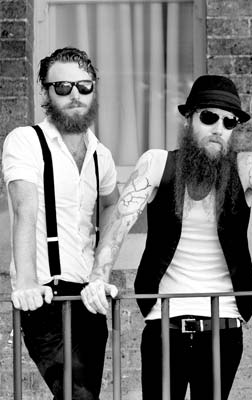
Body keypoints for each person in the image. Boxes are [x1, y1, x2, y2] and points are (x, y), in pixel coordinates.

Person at [79, 75, 252, 399]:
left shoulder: (248, 167)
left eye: (229, 121)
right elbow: (118, 225)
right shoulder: (157, 163)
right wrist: (98, 277)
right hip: (164, 327)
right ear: (189, 118)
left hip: (223, 329)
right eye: (209, 117)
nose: (219, 128)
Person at [2, 47, 119, 399]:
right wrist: (25, 282)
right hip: (44, 297)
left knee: (84, 395)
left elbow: (112, 205)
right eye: (63, 87)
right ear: (45, 91)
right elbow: (24, 208)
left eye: (84, 86)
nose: (75, 95)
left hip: (87, 297)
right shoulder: (26, 141)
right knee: (76, 395)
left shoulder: (101, 155)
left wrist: (102, 269)